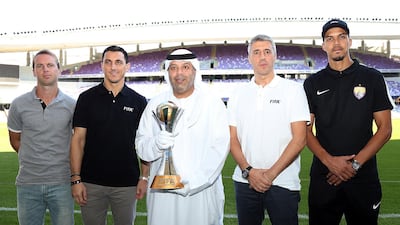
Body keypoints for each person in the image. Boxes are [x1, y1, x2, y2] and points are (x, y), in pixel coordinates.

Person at [303, 19, 394, 225]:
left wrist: (354, 165)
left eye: (341, 37)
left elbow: (385, 129)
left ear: (350, 41)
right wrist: (330, 162)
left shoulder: (372, 78)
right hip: (324, 177)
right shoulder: (312, 83)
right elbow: (305, 130)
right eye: (330, 38)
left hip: (363, 178)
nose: (336, 43)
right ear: (323, 45)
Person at [135, 48, 230, 225]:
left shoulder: (213, 105)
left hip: (201, 193)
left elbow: (219, 150)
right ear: (167, 72)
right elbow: (141, 146)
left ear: (195, 70)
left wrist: (191, 184)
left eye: (185, 67)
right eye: (173, 68)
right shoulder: (154, 104)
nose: (179, 73)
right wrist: (155, 145)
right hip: (163, 198)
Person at [227, 34, 310, 225]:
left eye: (267, 51)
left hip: (283, 181)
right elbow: (232, 139)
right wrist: (249, 172)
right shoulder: (238, 93)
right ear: (249, 58)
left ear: (275, 55)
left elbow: (299, 139)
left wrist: (270, 175)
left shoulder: (293, 90)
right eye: (256, 52)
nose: (262, 57)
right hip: (245, 181)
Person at [70, 45, 149, 225]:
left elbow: (145, 141)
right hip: (91, 184)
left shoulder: (139, 101)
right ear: (102, 65)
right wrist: (76, 179)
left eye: (118, 62)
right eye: (108, 62)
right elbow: (78, 140)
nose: (113, 67)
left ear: (127, 66)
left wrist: (144, 177)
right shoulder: (86, 98)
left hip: (127, 184)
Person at [7, 49, 76, 225]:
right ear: (34, 71)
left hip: (61, 183)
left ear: (59, 70)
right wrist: (32, 158)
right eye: (40, 66)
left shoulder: (72, 105)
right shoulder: (19, 104)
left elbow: (77, 143)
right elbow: (15, 140)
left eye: (50, 65)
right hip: (28, 183)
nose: (45, 70)